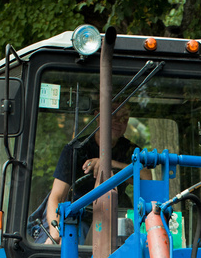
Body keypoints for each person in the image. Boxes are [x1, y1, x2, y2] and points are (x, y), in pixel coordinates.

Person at [43, 102, 148, 244]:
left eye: (124, 117)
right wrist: (56, 232)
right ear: (97, 116)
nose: (119, 122)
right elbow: (56, 196)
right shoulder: (76, 150)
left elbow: (146, 178)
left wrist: (108, 163)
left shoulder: (132, 152)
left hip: (116, 219)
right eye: (113, 114)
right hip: (79, 218)